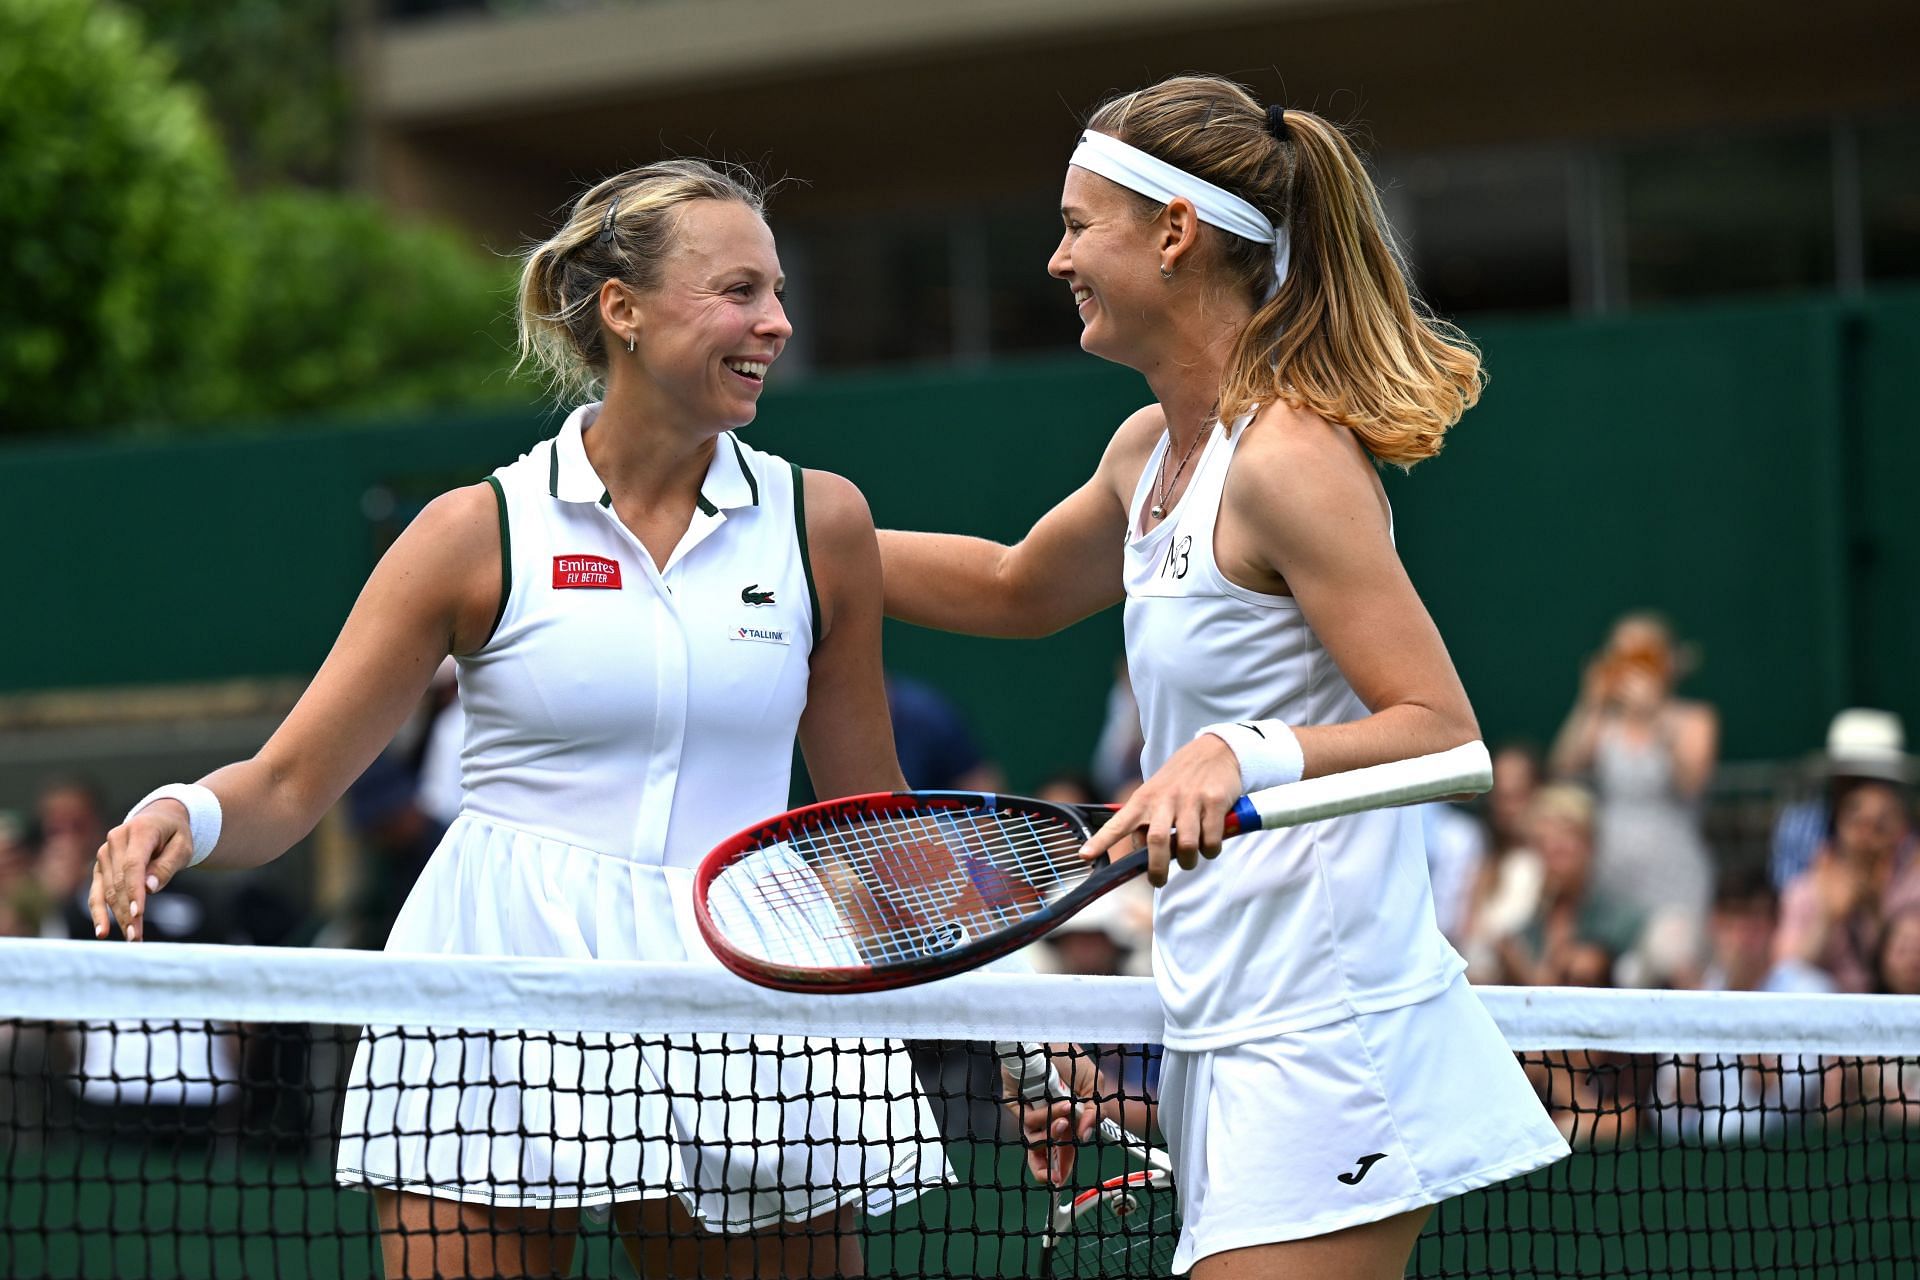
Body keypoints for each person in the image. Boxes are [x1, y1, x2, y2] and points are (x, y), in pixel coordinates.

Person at [89, 159, 946, 1280]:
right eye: (739, 291)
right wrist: (184, 811)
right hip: (495, 977)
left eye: (777, 291)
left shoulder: (822, 522)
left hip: (747, 977)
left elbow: (863, 821)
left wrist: (1022, 1034)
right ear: (622, 311)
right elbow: (293, 781)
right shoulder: (472, 531)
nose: (776, 323)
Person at [876, 74, 1566, 1278]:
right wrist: (780, 532)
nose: (1057, 259)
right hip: (1220, 1020)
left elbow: (1446, 735)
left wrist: (1239, 752)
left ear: (1174, 235)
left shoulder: (1290, 456)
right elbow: (1011, 588)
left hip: (1332, 1028)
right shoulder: (1149, 449)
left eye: (1078, 224)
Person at [1549, 612, 1718, 969]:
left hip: (1673, 877)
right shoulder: (1604, 724)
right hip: (1611, 877)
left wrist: (1654, 715)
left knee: (1667, 959)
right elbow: (1563, 766)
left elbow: (1693, 781)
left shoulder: (1694, 719)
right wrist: (1590, 701)